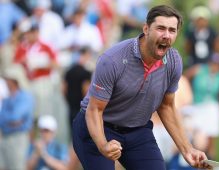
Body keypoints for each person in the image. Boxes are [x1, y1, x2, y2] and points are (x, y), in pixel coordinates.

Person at [72, 5, 210, 170]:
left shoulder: (173, 61)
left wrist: (187, 149)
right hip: (98, 126)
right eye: (161, 28)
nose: (166, 35)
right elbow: (94, 110)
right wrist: (103, 145)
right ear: (146, 29)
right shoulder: (113, 60)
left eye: (172, 30)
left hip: (137, 131)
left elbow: (166, 106)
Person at [0, 64, 34, 170]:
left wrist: (8, 119)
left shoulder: (25, 97)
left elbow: (15, 118)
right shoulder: (8, 97)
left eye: (8, 79)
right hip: (5, 137)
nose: (5, 82)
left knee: (17, 167)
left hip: (18, 138)